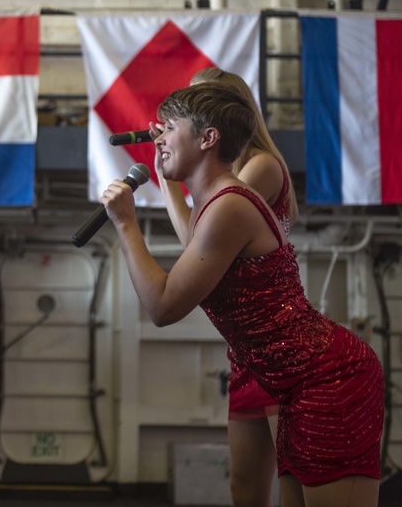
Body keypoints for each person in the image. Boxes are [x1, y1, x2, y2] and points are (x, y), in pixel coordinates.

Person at [100, 82, 383, 507]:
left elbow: (162, 306)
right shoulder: (214, 204)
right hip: (292, 385)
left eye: (169, 128)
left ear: (208, 138)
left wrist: (126, 225)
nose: (158, 138)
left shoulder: (229, 206)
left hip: (329, 380)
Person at [153, 67, 297, 507]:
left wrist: (167, 183)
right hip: (247, 352)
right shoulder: (224, 176)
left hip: (282, 349)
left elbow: (199, 244)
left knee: (294, 485)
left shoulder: (261, 168)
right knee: (244, 488)